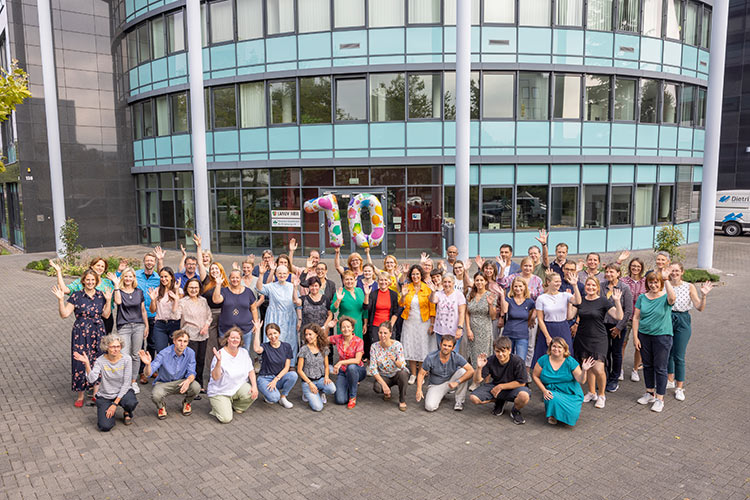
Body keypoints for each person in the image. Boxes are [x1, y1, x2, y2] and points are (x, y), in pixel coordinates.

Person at [53, 269, 113, 407]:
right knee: (80, 360)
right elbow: (64, 314)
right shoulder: (76, 296)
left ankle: (96, 393)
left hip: (98, 331)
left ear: (96, 281)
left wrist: (109, 301)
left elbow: (106, 315)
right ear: (83, 281)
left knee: (97, 359)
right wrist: (61, 300)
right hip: (81, 331)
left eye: (93, 280)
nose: (90, 282)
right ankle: (80, 395)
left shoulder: (101, 295)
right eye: (88, 280)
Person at [572, 277, 623, 409]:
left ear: (597, 287)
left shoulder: (603, 301)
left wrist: (617, 301)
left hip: (599, 338)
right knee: (587, 366)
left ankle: (601, 395)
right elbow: (570, 314)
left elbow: (619, 316)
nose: (590, 287)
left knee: (598, 368)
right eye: (588, 285)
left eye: (593, 285)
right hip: (583, 338)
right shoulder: (580, 300)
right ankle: (591, 392)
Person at [666, 263, 713, 401]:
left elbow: (699, 307)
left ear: (682, 272)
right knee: (668, 351)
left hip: (682, 320)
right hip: (667, 319)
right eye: (672, 271)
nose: (674, 273)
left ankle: (679, 387)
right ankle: (669, 379)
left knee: (679, 355)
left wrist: (703, 296)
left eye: (677, 271)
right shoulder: (665, 284)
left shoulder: (689, 286)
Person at [632, 270, 676, 413]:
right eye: (651, 282)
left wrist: (666, 279)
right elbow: (636, 318)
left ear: (661, 283)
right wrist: (635, 336)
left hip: (662, 337)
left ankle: (659, 399)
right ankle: (649, 393)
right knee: (648, 365)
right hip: (644, 336)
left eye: (656, 282)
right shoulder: (642, 297)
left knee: (661, 368)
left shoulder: (665, 297)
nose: (653, 285)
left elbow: (673, 298)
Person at [73, 334, 138, 431]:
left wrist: (114, 404)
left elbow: (126, 384)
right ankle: (109, 412)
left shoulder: (126, 359)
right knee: (105, 426)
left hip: (123, 392)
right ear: (106, 347)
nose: (116, 349)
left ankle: (127, 411)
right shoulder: (100, 361)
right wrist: (86, 364)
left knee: (131, 402)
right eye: (112, 347)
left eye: (118, 346)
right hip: (105, 395)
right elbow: (91, 380)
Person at [532, 337, 595, 426]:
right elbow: (535, 376)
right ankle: (552, 415)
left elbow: (581, 381)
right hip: (553, 390)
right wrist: (544, 391)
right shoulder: (543, 360)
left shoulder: (570, 361)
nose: (556, 349)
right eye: (554, 346)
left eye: (559, 347)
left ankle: (565, 412)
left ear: (564, 349)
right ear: (550, 348)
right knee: (551, 397)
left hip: (571, 392)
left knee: (573, 415)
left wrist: (584, 370)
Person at [139, 330, 201, 419]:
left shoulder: (190, 353)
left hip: (181, 382)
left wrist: (188, 381)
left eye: (185, 341)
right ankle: (161, 407)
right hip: (164, 383)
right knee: (155, 395)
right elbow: (148, 373)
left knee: (196, 387)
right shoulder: (164, 353)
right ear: (174, 341)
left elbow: (192, 372)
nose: (182, 344)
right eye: (179, 340)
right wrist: (148, 364)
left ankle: (187, 402)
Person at [469, 337, 530, 424]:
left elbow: (522, 382)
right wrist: (479, 368)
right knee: (474, 398)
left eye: (503, 351)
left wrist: (501, 386)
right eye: (497, 351)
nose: (500, 354)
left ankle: (515, 411)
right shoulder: (491, 360)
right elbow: (477, 380)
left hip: (514, 388)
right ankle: (499, 401)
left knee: (524, 396)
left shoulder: (517, 361)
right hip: (495, 386)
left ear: (509, 350)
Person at [108, 268, 147, 395]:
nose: (128, 279)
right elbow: (118, 302)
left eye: (131, 276)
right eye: (126, 276)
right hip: (124, 326)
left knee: (136, 355)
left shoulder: (139, 292)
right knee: (124, 355)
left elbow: (143, 310)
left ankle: (133, 381)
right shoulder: (118, 292)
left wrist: (146, 325)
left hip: (138, 326)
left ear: (134, 278)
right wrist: (116, 285)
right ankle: (124, 382)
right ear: (123, 278)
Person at [206, 327, 259, 423]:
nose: (235, 340)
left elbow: (250, 370)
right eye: (232, 337)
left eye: (237, 338)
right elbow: (215, 377)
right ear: (227, 339)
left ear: (240, 340)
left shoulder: (244, 352)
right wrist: (218, 361)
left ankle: (235, 405)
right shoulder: (220, 354)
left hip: (236, 387)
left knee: (252, 393)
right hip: (220, 391)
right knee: (226, 419)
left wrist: (254, 386)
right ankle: (218, 407)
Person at [51, 257, 116, 333]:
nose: (100, 268)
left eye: (102, 266)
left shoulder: (108, 283)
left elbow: (116, 300)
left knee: (105, 343)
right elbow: (64, 290)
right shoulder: (81, 282)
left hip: (105, 318)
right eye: (98, 265)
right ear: (92, 266)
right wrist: (59, 272)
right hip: (86, 318)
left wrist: (116, 283)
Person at [531, 271, 581, 367]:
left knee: (565, 354)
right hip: (548, 327)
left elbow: (578, 301)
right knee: (546, 354)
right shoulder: (541, 298)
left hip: (563, 327)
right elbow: (540, 319)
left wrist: (575, 285)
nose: (558, 283)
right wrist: (547, 336)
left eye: (559, 281)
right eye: (556, 281)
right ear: (548, 282)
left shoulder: (565, 295)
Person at [254, 265, 302, 364]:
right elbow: (259, 288)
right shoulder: (271, 286)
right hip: (274, 316)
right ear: (275, 274)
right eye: (279, 273)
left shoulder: (292, 286)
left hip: (289, 317)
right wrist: (261, 274)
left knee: (290, 340)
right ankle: (271, 362)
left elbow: (298, 304)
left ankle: (291, 363)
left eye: (284, 273)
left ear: (288, 274)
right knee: (272, 338)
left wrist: (300, 319)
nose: (282, 275)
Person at [415, 336, 474, 411]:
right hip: (436, 385)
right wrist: (419, 390)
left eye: (449, 346)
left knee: (463, 371)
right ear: (440, 344)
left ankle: (459, 401)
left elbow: (471, 370)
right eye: (444, 345)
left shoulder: (456, 356)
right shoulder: (431, 357)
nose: (446, 348)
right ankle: (440, 394)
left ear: (453, 348)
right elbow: (421, 374)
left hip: (451, 382)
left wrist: (457, 382)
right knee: (430, 407)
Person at [399, 264, 436, 384]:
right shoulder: (407, 287)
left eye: (417, 274)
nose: (415, 276)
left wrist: (432, 324)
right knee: (411, 347)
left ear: (421, 275)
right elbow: (401, 304)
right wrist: (403, 295)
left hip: (423, 322)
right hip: (409, 321)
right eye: (413, 274)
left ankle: (421, 374)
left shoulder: (427, 288)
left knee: (422, 347)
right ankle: (413, 374)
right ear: (410, 275)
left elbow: (432, 308)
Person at [252, 320, 298, 408]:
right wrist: (257, 330)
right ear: (267, 336)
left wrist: (275, 380)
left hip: (278, 378)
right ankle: (269, 395)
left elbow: (286, 367)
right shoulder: (265, 346)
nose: (273, 336)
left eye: (275, 333)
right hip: (265, 378)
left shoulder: (286, 346)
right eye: (270, 334)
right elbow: (257, 349)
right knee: (273, 398)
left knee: (293, 375)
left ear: (279, 333)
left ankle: (283, 397)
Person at [132, 251, 162, 383]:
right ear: (144, 261)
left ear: (154, 263)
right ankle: (141, 373)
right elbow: (121, 280)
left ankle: (150, 368)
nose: (150, 262)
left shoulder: (158, 278)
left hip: (153, 315)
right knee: (139, 344)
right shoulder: (135, 275)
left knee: (152, 343)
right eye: (147, 260)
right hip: (137, 315)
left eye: (152, 261)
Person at [603, 263, 634, 393]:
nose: (609, 274)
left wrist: (619, 327)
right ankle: (605, 376)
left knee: (616, 353)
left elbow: (628, 310)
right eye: (607, 272)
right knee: (605, 352)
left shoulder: (624, 288)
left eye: (612, 272)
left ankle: (614, 378)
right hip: (603, 325)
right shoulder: (601, 287)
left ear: (618, 273)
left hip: (618, 326)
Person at [179, 278, 213, 391]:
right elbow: (175, 315)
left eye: (196, 287)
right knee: (191, 361)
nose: (193, 290)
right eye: (191, 287)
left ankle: (199, 385)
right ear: (187, 288)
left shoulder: (203, 300)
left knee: (201, 360)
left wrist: (206, 326)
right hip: (189, 335)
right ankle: (190, 386)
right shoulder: (183, 302)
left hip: (203, 334)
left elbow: (209, 315)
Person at [214, 268, 258, 354]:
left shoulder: (248, 292)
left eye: (237, 277)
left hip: (245, 329)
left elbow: (253, 308)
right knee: (225, 354)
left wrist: (256, 322)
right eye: (233, 278)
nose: (235, 280)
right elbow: (216, 300)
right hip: (226, 330)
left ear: (241, 278)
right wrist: (218, 285)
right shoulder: (224, 291)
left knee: (244, 353)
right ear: (229, 278)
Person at [368, 322, 409, 411]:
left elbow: (402, 366)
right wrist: (384, 385)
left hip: (396, 374)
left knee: (404, 374)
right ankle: (387, 391)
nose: (382, 335)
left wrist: (395, 360)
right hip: (384, 375)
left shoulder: (397, 345)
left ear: (390, 333)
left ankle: (402, 400)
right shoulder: (374, 347)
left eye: (385, 333)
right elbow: (373, 369)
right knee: (377, 387)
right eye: (380, 333)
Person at [296, 324, 335, 412]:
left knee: (332, 389)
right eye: (306, 335)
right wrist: (310, 383)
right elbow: (299, 370)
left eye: (310, 334)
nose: (307, 337)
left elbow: (326, 365)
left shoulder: (323, 348)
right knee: (318, 407)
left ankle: (321, 392)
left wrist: (327, 376)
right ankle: (306, 394)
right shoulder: (304, 349)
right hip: (308, 382)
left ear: (317, 334)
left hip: (320, 379)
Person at [329, 316, 366, 408]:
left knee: (351, 367)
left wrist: (341, 362)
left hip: (358, 370)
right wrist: (328, 327)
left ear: (352, 328)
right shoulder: (338, 338)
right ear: (340, 329)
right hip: (343, 372)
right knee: (340, 400)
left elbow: (357, 360)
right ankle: (350, 384)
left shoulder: (359, 341)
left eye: (348, 327)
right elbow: (323, 339)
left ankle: (353, 396)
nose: (346, 329)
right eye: (343, 327)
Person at [465, 273, 498, 374]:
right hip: (473, 329)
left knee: (484, 355)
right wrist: (468, 329)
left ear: (486, 281)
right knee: (473, 354)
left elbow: (493, 316)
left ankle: (485, 378)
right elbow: (467, 313)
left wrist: (490, 305)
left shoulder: (491, 295)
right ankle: (476, 377)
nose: (479, 282)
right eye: (477, 280)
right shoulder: (470, 294)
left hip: (485, 328)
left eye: (481, 280)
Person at [621, 257, 646, 382]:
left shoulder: (645, 281)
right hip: (625, 317)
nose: (635, 268)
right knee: (622, 343)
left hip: (640, 318)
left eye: (638, 266)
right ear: (630, 266)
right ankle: (619, 368)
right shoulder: (623, 281)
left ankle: (635, 369)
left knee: (638, 346)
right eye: (633, 266)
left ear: (641, 268)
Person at [499, 277, 536, 360]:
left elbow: (534, 312)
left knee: (520, 360)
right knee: (506, 359)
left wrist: (532, 319)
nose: (518, 288)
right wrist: (502, 296)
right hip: (508, 334)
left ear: (524, 287)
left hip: (522, 335)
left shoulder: (529, 302)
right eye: (515, 286)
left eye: (520, 286)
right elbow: (505, 310)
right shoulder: (509, 299)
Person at [148, 267, 182, 354]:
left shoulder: (179, 290)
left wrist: (176, 293)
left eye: (166, 276)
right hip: (160, 324)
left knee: (175, 352)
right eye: (162, 277)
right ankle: (162, 368)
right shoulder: (157, 290)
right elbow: (152, 310)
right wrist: (152, 300)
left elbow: (177, 310)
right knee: (161, 352)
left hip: (174, 324)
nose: (163, 279)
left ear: (171, 277)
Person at [430, 274, 467, 350]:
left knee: (453, 354)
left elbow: (462, 313)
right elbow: (433, 300)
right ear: (442, 283)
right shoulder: (439, 294)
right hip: (440, 331)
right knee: (442, 353)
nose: (447, 284)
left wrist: (460, 328)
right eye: (445, 282)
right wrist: (433, 292)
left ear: (453, 283)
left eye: (449, 282)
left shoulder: (459, 295)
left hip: (454, 331)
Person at [365, 272, 399, 353]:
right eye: (381, 280)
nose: (383, 282)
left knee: (389, 350)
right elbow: (366, 308)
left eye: (385, 280)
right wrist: (366, 295)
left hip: (388, 325)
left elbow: (396, 312)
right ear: (378, 281)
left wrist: (390, 326)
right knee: (376, 349)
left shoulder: (393, 294)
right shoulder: (373, 294)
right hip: (375, 326)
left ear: (389, 282)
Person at [330, 270, 367, 340]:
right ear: (343, 281)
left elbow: (364, 309)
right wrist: (338, 300)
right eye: (347, 279)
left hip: (358, 324)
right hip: (345, 326)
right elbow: (333, 309)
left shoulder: (359, 291)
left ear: (354, 280)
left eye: (351, 279)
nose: (349, 281)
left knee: (357, 347)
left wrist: (365, 323)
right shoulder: (340, 292)